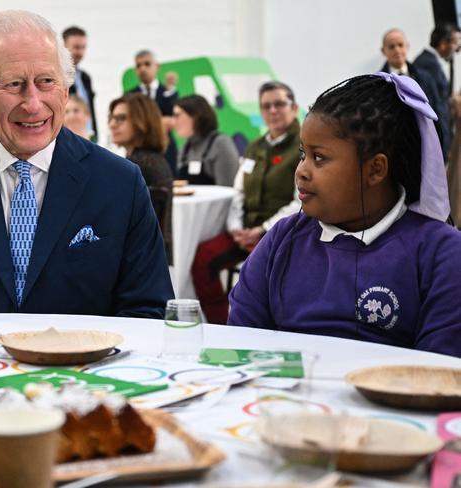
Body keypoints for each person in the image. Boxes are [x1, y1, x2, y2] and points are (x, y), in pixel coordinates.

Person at [0, 10, 173, 317]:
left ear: (66, 88)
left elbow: (149, 311)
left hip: (86, 364)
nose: (33, 104)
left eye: (46, 81)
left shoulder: (121, 183)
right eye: (14, 84)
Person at [229, 73, 461, 358]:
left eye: (319, 158)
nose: (301, 170)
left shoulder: (440, 252)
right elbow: (240, 343)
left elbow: (439, 371)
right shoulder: (282, 239)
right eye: (303, 154)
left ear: (375, 169)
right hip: (280, 399)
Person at [191, 81, 301, 324]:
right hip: (245, 233)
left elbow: (300, 201)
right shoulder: (254, 147)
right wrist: (236, 229)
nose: (273, 111)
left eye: (279, 104)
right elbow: (238, 192)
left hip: (282, 234)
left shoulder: (303, 146)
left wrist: (263, 230)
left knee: (267, 276)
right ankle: (220, 325)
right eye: (266, 106)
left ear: (294, 108)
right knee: (202, 258)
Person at [109, 93, 173, 262]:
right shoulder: (153, 159)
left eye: (120, 119)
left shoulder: (137, 166)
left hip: (135, 260)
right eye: (112, 118)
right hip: (153, 257)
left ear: (142, 122)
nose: (112, 125)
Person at [413, 23, 461, 159]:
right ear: (443, 43)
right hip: (435, 143)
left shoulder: (431, 62)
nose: (457, 49)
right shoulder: (427, 64)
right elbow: (434, 109)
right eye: (456, 43)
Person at [129, 50, 178, 176]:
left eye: (147, 64)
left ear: (157, 66)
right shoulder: (130, 95)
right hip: (139, 150)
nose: (142, 69)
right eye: (138, 65)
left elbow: (174, 119)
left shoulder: (168, 92)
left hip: (166, 149)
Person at [174, 94, 239, 186]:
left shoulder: (220, 144)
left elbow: (228, 191)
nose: (174, 122)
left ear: (195, 116)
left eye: (177, 115)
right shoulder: (184, 149)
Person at [379, 29, 438, 111]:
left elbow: (436, 108)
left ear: (407, 46)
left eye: (400, 45)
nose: (397, 50)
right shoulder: (378, 82)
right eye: (391, 47)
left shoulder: (425, 77)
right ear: (383, 51)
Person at [63, 26, 97, 140]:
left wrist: (95, 132)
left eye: (83, 47)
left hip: (87, 136)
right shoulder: (57, 77)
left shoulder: (85, 77)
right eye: (76, 47)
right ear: (63, 47)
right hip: (67, 137)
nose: (80, 52)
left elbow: (89, 107)